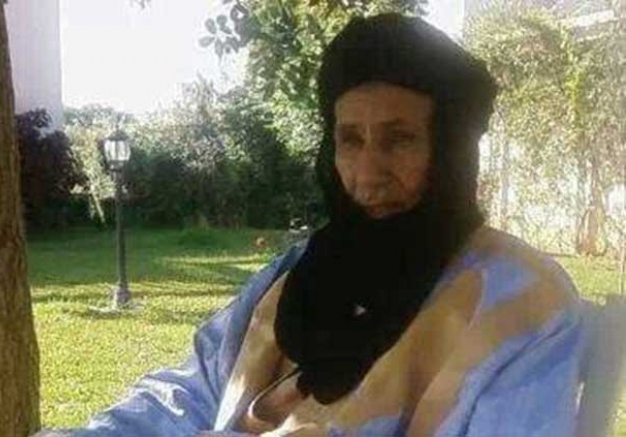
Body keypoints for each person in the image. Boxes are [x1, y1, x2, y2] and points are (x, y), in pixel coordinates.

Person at [52, 13, 585, 437]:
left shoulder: (523, 304)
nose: (367, 175)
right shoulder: (296, 271)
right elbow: (192, 391)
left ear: (450, 152)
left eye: (399, 139)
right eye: (350, 140)